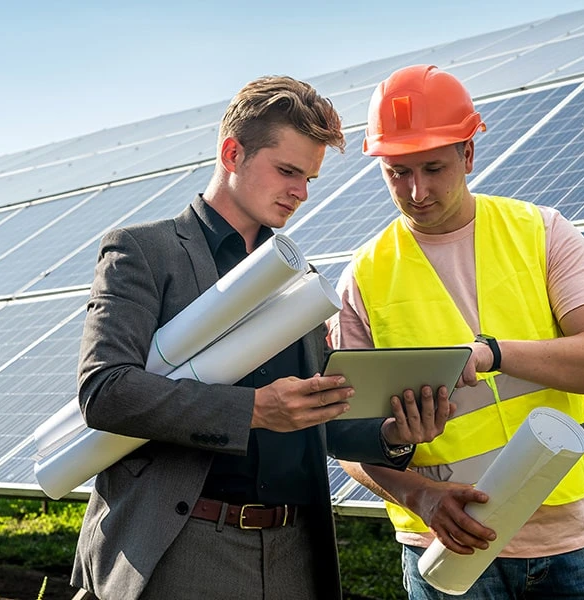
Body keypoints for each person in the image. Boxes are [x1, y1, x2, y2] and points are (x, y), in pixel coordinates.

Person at [70, 74, 454, 600]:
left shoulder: (300, 279)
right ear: (233, 153)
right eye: (288, 171)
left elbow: (320, 419)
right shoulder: (145, 252)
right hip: (182, 548)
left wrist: (393, 434)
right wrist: (253, 410)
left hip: (294, 554)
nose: (300, 193)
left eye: (309, 178)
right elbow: (106, 391)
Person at [329, 64, 584, 599]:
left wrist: (493, 354)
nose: (417, 190)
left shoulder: (542, 233)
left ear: (468, 154)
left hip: (568, 537)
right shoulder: (363, 277)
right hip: (442, 547)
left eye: (433, 167)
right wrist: (421, 496)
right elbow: (347, 440)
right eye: (397, 172)